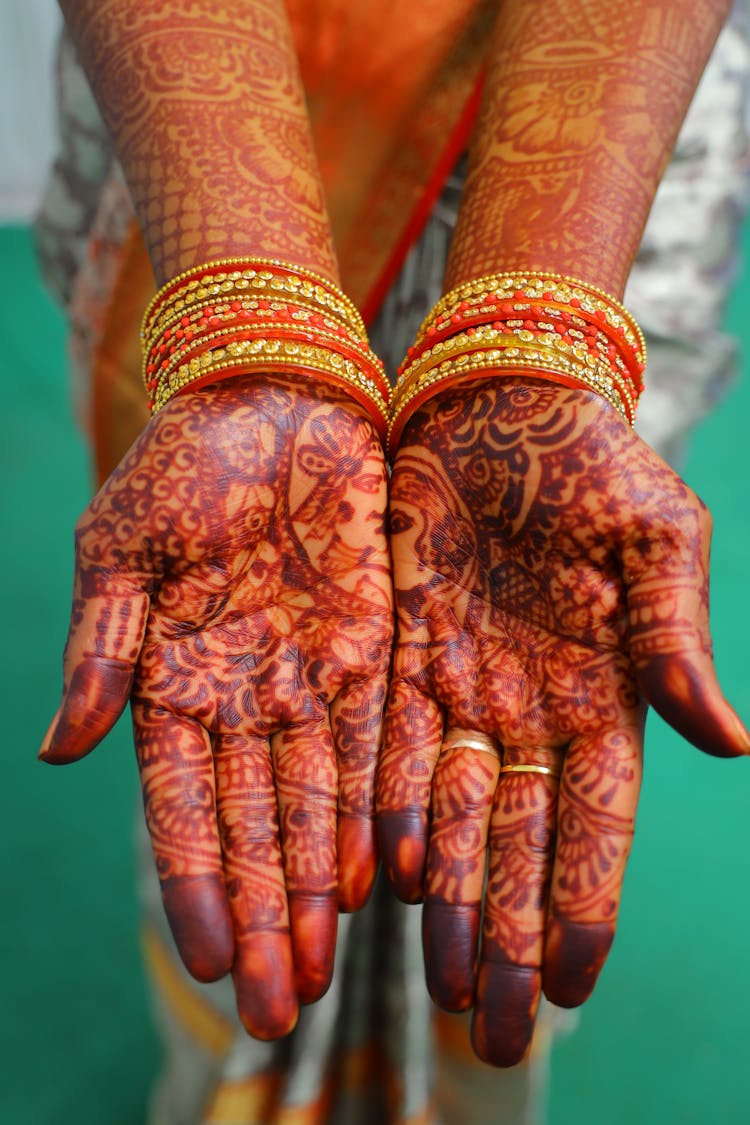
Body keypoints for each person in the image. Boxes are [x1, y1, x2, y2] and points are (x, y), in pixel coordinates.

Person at [36, 1, 750, 1122]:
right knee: (237, 693)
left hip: (596, 156)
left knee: (510, 759)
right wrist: (247, 337)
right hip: (197, 132)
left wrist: (534, 338)